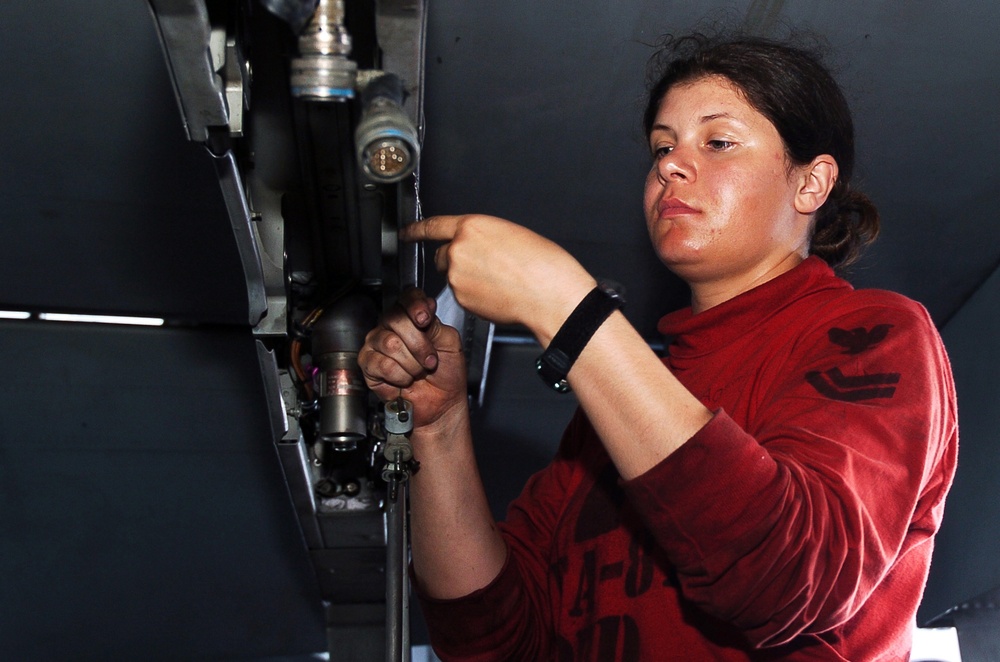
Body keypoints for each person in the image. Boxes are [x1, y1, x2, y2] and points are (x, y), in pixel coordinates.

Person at [359, 32, 958, 661]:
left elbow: (787, 578)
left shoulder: (875, 334)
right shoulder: (613, 418)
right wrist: (439, 426)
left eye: (718, 142)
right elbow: (489, 640)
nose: (670, 164)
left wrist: (565, 306)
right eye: (662, 147)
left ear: (811, 184)